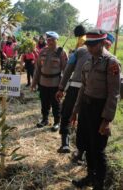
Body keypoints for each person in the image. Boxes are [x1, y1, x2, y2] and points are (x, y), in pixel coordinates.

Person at [71, 29, 121, 190]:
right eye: (88, 45)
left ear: (101, 43)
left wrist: (106, 120)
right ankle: (90, 176)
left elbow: (114, 94)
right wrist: (75, 111)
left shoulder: (111, 63)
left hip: (100, 111)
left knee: (98, 149)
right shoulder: (88, 61)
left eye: (92, 45)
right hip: (86, 108)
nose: (89, 48)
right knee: (85, 144)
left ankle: (99, 183)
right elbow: (83, 88)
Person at [55, 25, 89, 154]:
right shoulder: (106, 54)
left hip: (76, 86)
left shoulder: (80, 50)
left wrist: (61, 88)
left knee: (66, 113)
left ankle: (65, 144)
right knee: (85, 119)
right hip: (91, 91)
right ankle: (81, 152)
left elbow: (69, 68)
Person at [31, 31, 67, 131]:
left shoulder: (61, 52)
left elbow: (66, 70)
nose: (50, 42)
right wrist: (34, 83)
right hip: (43, 83)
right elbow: (37, 69)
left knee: (56, 104)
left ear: (56, 40)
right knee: (44, 102)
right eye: (48, 40)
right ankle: (44, 119)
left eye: (52, 40)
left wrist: (63, 86)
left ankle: (56, 122)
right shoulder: (42, 51)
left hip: (55, 83)